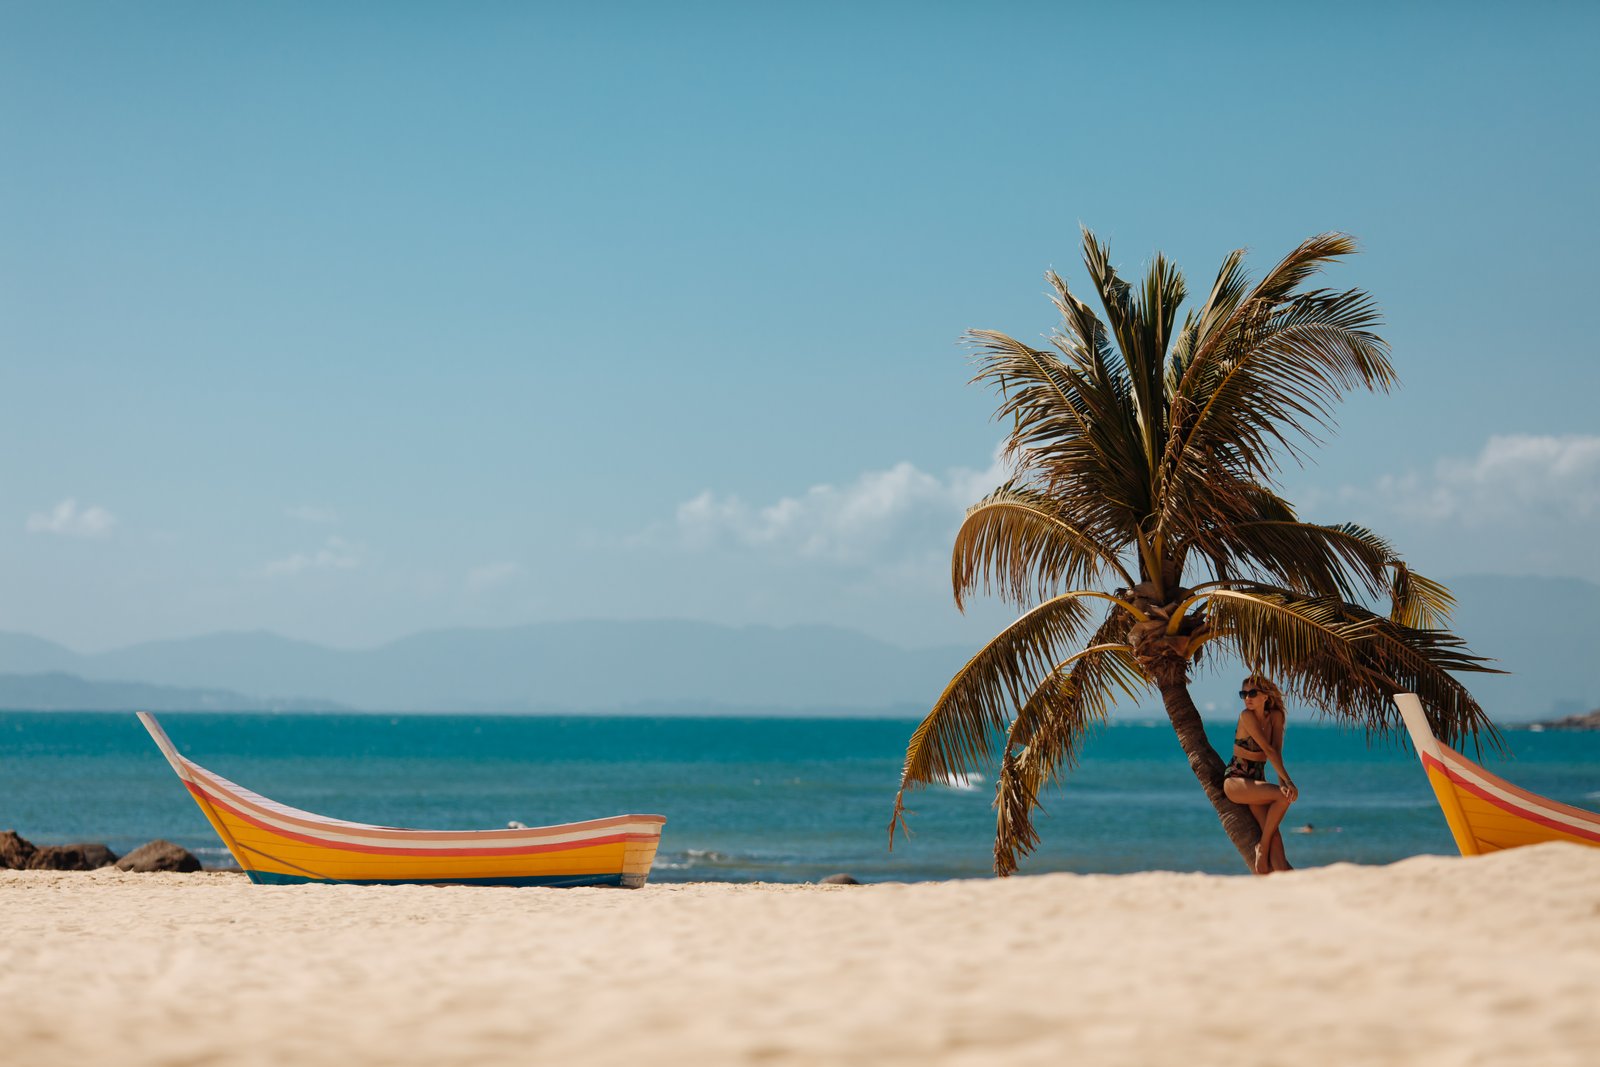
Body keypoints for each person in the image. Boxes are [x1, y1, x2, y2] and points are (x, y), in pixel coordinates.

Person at [1221, 674, 1298, 875]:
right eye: (1243, 694)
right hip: (1236, 781)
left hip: (1257, 783)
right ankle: (1261, 849)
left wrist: (1284, 783)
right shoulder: (1246, 716)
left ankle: (1283, 884)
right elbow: (1268, 750)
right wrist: (1288, 784)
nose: (1247, 697)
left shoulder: (1276, 717)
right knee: (1282, 797)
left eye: (1252, 693)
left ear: (1265, 695)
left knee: (1276, 839)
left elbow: (1277, 753)